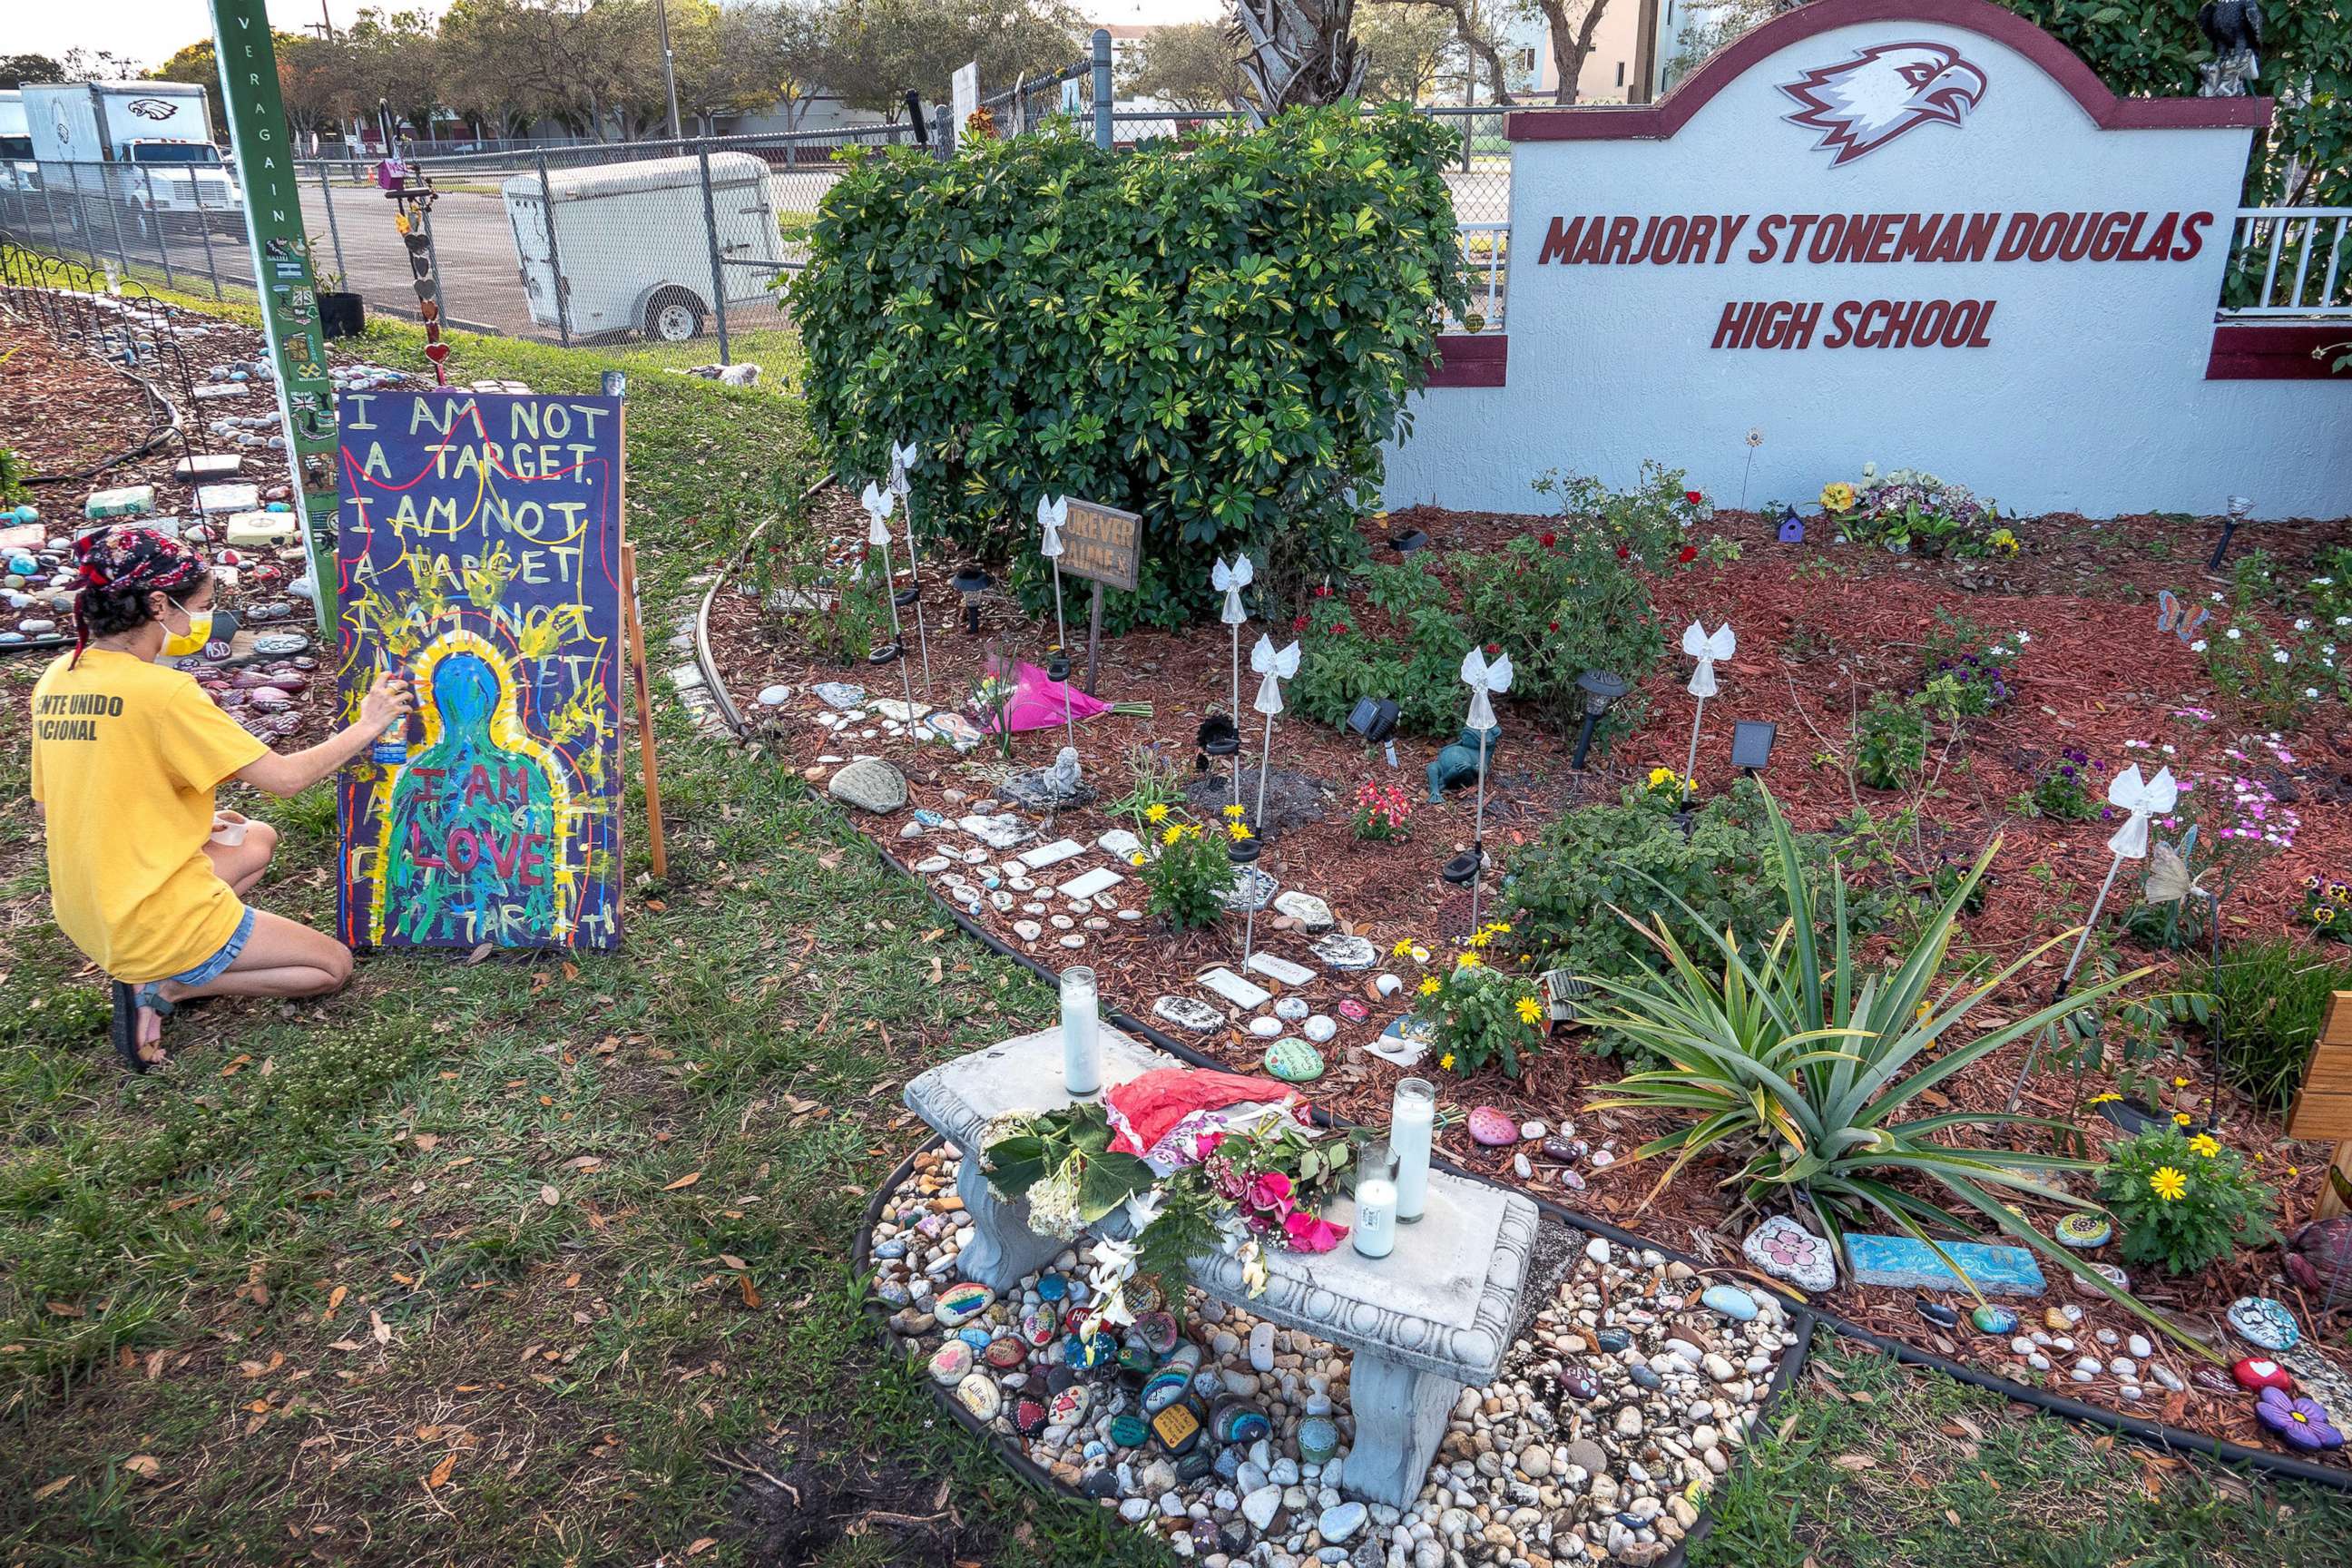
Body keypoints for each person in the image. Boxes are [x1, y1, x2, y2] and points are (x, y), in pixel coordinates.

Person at [29, 525, 414, 1072]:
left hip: (88, 906)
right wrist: (369, 725)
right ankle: (168, 984)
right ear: (159, 604)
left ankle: (163, 960)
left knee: (256, 838)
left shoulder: (57, 676)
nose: (200, 622)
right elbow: (284, 779)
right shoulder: (162, 694)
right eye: (200, 607)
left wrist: (188, 818)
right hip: (153, 916)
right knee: (332, 967)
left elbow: (54, 805)